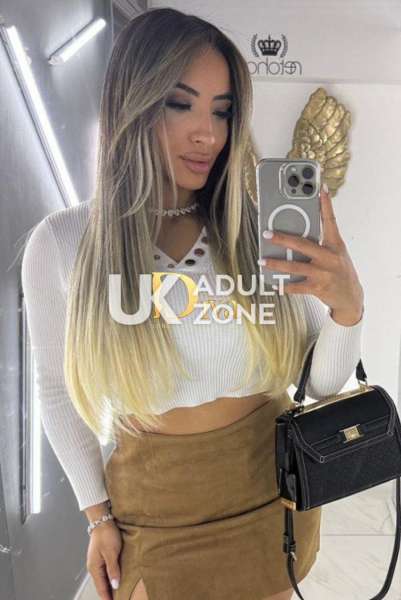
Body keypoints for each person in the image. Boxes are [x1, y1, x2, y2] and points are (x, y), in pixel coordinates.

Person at [21, 7, 365, 600]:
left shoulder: (258, 228)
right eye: (180, 104)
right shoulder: (64, 243)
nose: (208, 133)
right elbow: (56, 389)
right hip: (154, 509)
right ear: (131, 103)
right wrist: (96, 515)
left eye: (222, 110)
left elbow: (323, 383)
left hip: (270, 495)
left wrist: (347, 310)